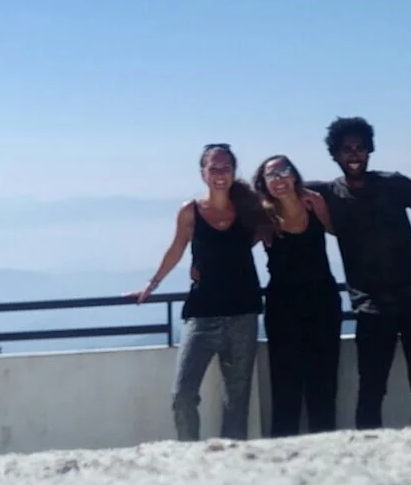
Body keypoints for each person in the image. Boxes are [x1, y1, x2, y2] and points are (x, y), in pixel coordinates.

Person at [305, 116, 411, 429]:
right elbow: (276, 192)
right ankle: (369, 458)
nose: (353, 154)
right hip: (371, 306)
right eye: (346, 149)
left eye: (360, 147)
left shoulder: (393, 183)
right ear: (335, 154)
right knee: (371, 389)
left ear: (369, 150)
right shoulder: (325, 194)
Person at [134, 143, 267, 441]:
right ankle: (189, 456)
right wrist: (152, 284)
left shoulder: (248, 208)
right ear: (203, 173)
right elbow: (177, 248)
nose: (220, 174)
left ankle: (231, 459)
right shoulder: (190, 211)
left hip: (243, 311)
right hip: (202, 314)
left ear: (234, 172)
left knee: (237, 398)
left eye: (226, 168)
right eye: (214, 168)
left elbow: (266, 228)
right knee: (182, 394)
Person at [252, 154, 340, 436]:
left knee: (323, 381)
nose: (278, 179)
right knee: (285, 382)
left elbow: (338, 231)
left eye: (283, 172)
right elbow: (235, 247)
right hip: (283, 305)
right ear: (264, 183)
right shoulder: (264, 215)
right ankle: (283, 451)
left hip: (323, 300)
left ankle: (328, 448)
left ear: (294, 175)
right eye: (271, 176)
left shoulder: (314, 203)